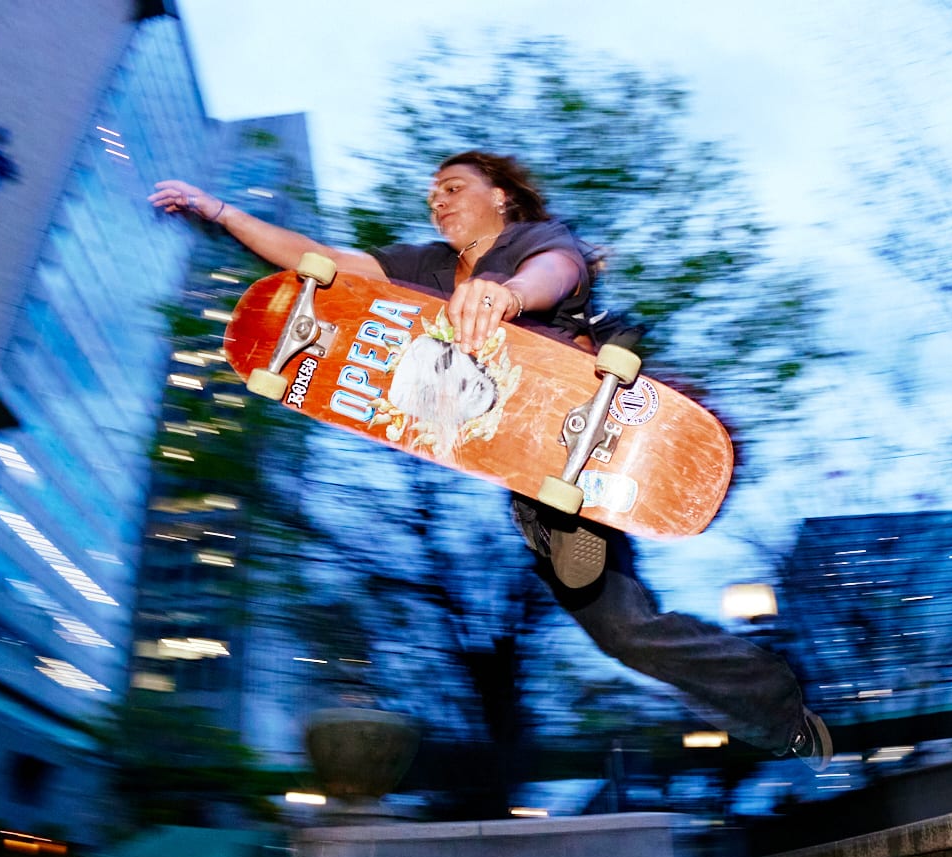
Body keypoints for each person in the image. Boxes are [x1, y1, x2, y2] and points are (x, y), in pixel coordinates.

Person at [149, 153, 831, 765]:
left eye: (453, 188)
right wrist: (220, 211)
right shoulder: (424, 269)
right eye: (431, 195)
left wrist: (507, 294)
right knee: (624, 632)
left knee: (600, 365)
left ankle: (589, 509)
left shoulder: (534, 240)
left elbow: (556, 272)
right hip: (539, 477)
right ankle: (773, 711)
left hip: (594, 403)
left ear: (501, 196)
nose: (438, 202)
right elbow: (315, 259)